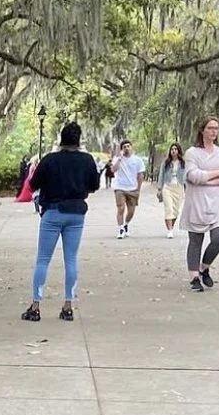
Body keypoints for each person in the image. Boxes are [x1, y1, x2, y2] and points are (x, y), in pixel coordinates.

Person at [19, 123, 101, 323]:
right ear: (79, 139)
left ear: (61, 138)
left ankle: (36, 306)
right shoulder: (87, 160)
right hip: (76, 213)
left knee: (43, 259)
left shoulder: (50, 160)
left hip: (53, 212)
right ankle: (68, 305)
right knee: (71, 259)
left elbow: (33, 184)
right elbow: (94, 185)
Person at [179, 116, 219, 292]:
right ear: (202, 130)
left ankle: (204, 267)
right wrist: (218, 172)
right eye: (210, 128)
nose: (213, 131)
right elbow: (193, 176)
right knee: (195, 240)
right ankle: (194, 277)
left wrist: (217, 180)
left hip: (217, 203)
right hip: (196, 203)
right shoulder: (192, 153)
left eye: (216, 128)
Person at [110, 139, 145, 237]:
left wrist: (138, 189)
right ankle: (120, 228)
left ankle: (126, 224)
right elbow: (113, 170)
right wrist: (119, 158)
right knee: (120, 208)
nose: (126, 148)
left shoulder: (137, 160)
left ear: (131, 147)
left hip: (133, 188)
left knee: (131, 211)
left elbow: (140, 175)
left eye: (128, 146)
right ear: (122, 149)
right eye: (124, 147)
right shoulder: (117, 159)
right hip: (120, 187)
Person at [156, 143, 185, 238]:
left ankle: (171, 226)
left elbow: (187, 176)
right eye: (172, 149)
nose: (174, 151)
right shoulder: (166, 163)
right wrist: (159, 188)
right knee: (169, 209)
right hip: (167, 187)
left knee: (175, 211)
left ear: (179, 151)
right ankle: (170, 230)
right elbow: (161, 175)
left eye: (176, 149)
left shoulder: (183, 163)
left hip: (179, 187)